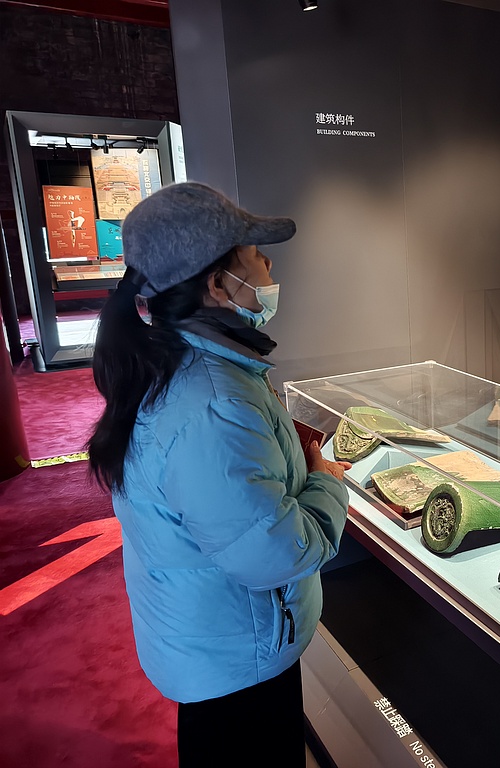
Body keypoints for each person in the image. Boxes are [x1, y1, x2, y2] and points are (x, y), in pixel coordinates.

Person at [87, 182, 350, 766]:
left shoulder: (181, 363)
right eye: (254, 253)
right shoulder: (213, 401)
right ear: (218, 284)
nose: (268, 263)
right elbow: (272, 553)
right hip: (237, 659)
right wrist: (328, 479)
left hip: (216, 641)